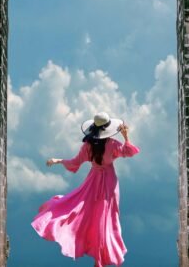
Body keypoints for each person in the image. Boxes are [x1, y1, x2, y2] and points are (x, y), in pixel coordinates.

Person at [31, 112, 140, 267]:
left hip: (93, 181)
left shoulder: (88, 146)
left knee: (81, 210)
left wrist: (58, 160)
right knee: (106, 218)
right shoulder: (113, 144)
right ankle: (99, 259)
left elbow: (75, 162)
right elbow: (128, 152)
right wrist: (126, 136)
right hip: (109, 183)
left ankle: (98, 257)